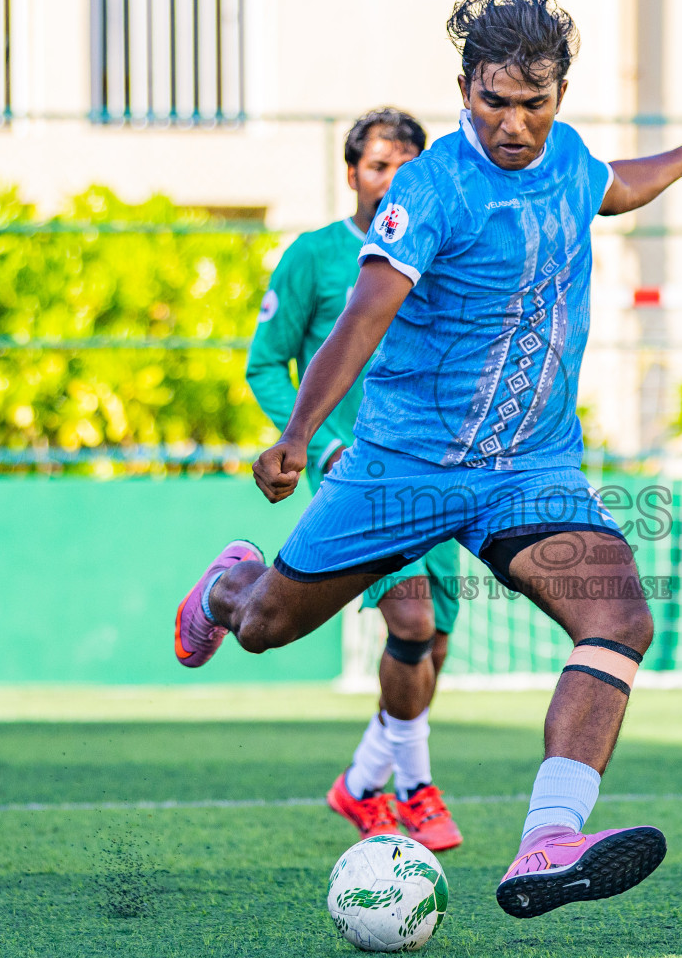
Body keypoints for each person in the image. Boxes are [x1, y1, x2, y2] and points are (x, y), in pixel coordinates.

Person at [174, 0, 682, 918]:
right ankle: (225, 588)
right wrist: (296, 436)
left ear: (560, 94)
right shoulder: (433, 185)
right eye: (496, 102)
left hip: (528, 470)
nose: (516, 125)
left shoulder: (566, 156)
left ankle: (547, 842)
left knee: (620, 619)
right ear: (464, 86)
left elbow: (612, 185)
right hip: (402, 469)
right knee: (266, 627)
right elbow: (365, 317)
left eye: (535, 104)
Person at [242, 107, 464, 852]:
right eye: (378, 167)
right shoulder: (316, 256)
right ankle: (416, 789)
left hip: (437, 471)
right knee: (409, 623)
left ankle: (361, 782)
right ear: (352, 175)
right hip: (356, 471)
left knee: (428, 653)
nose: (391, 180)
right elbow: (266, 362)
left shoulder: (442, 257)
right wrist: (314, 443)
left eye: (406, 167)